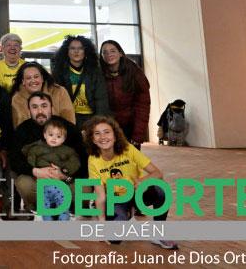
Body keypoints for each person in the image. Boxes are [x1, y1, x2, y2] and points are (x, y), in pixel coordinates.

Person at [85, 116, 178, 250]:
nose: (102, 137)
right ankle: (127, 213)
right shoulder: (93, 160)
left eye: (107, 132)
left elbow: (157, 173)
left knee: (161, 191)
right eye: (97, 133)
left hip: (136, 192)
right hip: (116, 199)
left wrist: (142, 181)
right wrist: (102, 224)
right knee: (114, 239)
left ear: (115, 135)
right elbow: (100, 195)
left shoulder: (128, 149)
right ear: (92, 139)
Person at [9, 91, 86, 213]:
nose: (40, 111)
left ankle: (66, 205)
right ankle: (41, 204)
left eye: (44, 106)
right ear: (29, 110)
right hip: (39, 178)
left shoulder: (68, 128)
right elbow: (14, 159)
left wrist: (64, 174)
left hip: (66, 178)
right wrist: (35, 171)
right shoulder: (22, 130)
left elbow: (82, 159)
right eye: (35, 107)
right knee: (23, 183)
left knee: (85, 188)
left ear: (52, 108)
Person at [22, 116, 80, 220]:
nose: (54, 138)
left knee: (62, 202)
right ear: (44, 135)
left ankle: (63, 220)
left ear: (64, 139)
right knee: (45, 205)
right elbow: (30, 160)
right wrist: (35, 172)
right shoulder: (36, 148)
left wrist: (64, 170)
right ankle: (47, 221)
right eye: (51, 135)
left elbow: (75, 162)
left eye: (58, 136)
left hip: (60, 184)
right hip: (42, 184)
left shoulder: (67, 151)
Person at [99, 40, 151, 148]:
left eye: (113, 51)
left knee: (129, 162)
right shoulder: (99, 74)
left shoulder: (134, 73)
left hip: (129, 128)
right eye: (105, 52)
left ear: (120, 53)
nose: (109, 54)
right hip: (107, 127)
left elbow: (143, 106)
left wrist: (138, 135)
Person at [52, 35, 110, 129]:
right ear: (67, 51)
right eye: (72, 48)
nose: (76, 51)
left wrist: (99, 122)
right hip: (68, 117)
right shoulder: (59, 72)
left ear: (85, 51)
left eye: (80, 48)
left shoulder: (94, 72)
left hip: (91, 118)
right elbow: (56, 100)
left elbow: (101, 100)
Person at [10, 62, 75, 128]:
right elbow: (18, 128)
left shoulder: (59, 92)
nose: (33, 80)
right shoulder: (17, 99)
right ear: (23, 81)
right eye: (28, 78)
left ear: (42, 78)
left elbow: (70, 122)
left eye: (36, 77)